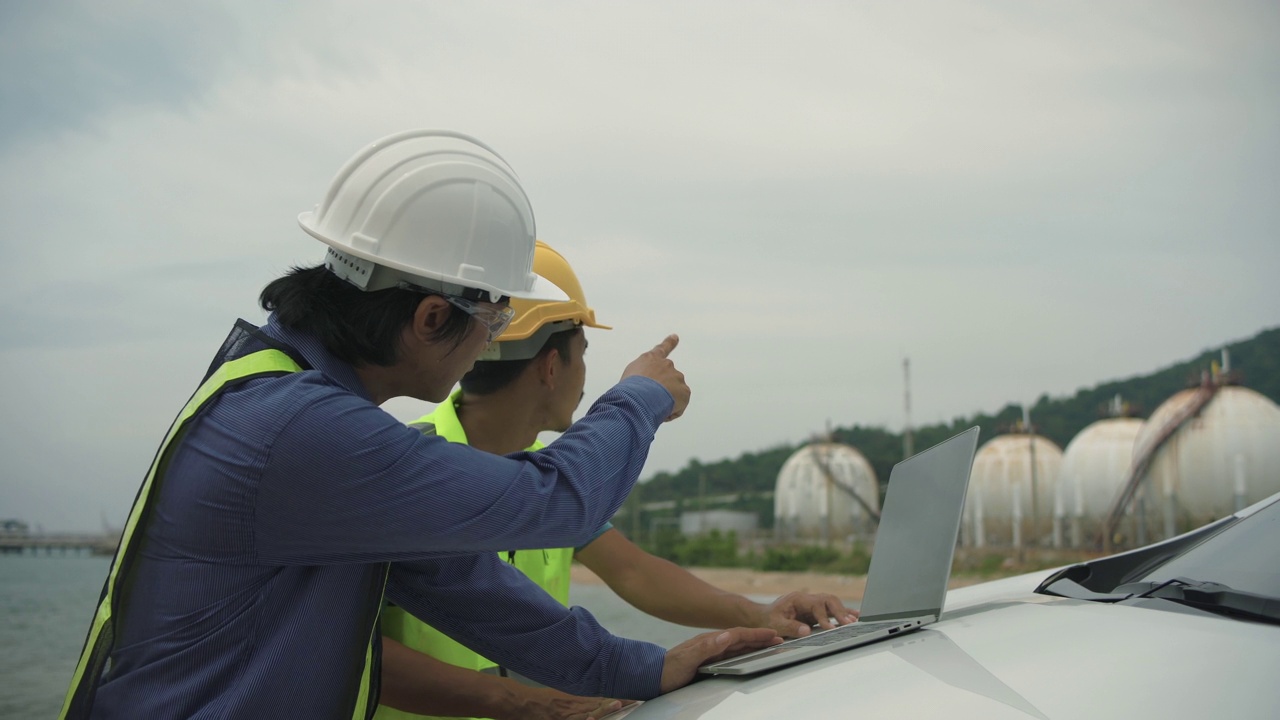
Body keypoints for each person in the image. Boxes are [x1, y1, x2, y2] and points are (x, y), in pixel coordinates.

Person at [59, 130, 779, 720]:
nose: (489, 343)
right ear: (433, 318)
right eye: (493, 318)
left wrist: (647, 668)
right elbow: (555, 502)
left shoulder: (289, 408)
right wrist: (641, 397)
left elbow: (470, 593)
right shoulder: (295, 429)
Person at [376, 241, 858, 720]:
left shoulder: (552, 480)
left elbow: (634, 572)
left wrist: (761, 614)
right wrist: (527, 702)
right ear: (550, 365)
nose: (586, 376)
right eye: (583, 351)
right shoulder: (402, 473)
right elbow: (358, 651)